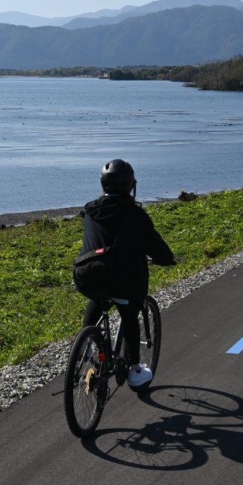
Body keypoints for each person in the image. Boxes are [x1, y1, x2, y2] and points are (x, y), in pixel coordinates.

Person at [80, 158, 176, 388]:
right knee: (129, 314)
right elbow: (155, 245)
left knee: (97, 299)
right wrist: (167, 259)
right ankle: (134, 370)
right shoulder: (135, 215)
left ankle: (85, 344)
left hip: (89, 275)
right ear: (130, 185)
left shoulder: (90, 210)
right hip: (121, 281)